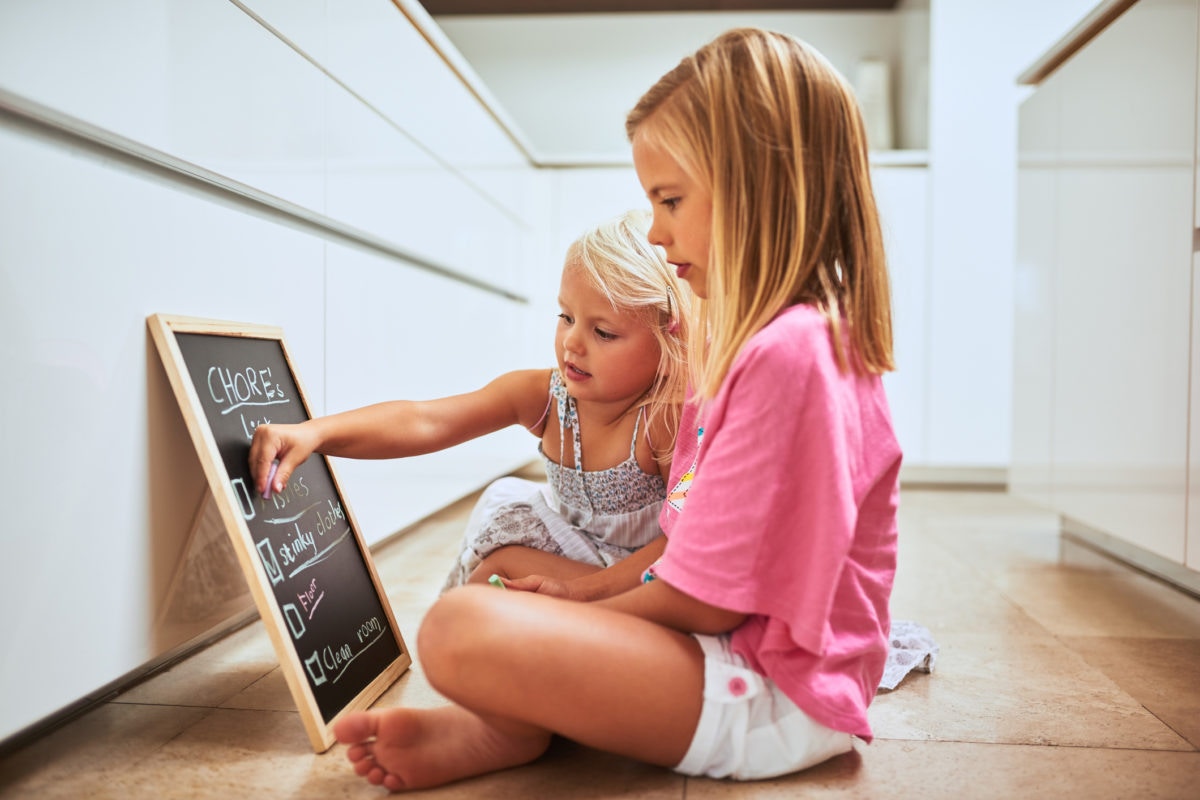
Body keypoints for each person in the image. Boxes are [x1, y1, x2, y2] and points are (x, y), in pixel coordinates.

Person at [331, 27, 902, 791]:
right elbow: (689, 549)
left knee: (464, 628)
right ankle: (514, 724)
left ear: (755, 188)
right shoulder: (767, 344)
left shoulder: (787, 354)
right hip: (734, 650)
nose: (659, 234)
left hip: (771, 692)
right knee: (497, 583)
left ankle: (507, 722)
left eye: (670, 201)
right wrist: (571, 600)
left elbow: (703, 603)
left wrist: (572, 609)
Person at [249, 209, 689, 591]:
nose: (572, 342)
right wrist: (315, 433)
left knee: (501, 573)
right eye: (566, 316)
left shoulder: (668, 421)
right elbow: (426, 421)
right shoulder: (545, 397)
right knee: (499, 553)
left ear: (670, 347)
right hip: (575, 562)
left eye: (604, 332)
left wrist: (586, 594)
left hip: (646, 580)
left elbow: (683, 541)